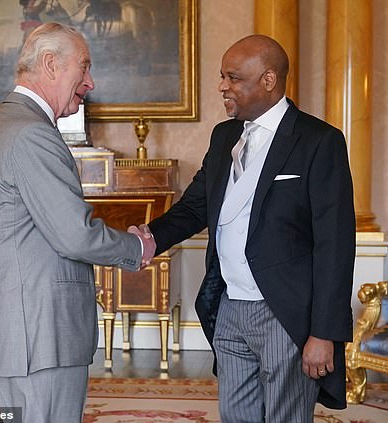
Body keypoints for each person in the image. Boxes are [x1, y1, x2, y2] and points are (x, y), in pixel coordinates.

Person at [141, 34, 356, 422]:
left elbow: (335, 245)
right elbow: (193, 208)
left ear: (269, 80)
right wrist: (146, 240)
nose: (223, 86)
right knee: (235, 415)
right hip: (228, 307)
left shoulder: (319, 141)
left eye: (234, 77)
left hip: (286, 314)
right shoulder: (224, 136)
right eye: (223, 76)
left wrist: (324, 333)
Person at [0, 22, 155, 423]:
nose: (90, 81)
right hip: (42, 333)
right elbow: (75, 236)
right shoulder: (32, 134)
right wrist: (137, 248)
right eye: (83, 68)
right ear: (50, 64)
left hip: (15, 328)